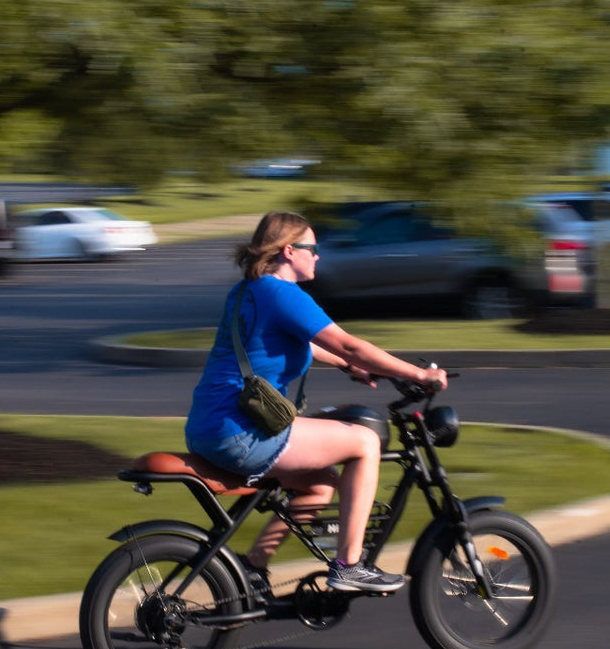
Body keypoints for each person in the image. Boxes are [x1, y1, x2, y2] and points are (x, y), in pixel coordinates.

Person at [184, 210, 447, 594]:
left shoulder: (247, 290)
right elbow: (348, 343)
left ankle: (254, 567)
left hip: (209, 426)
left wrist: (348, 366)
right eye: (313, 249)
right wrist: (418, 374)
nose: (318, 256)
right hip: (241, 432)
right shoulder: (284, 294)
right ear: (290, 250)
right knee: (364, 442)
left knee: (320, 484)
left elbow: (298, 344)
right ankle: (349, 566)